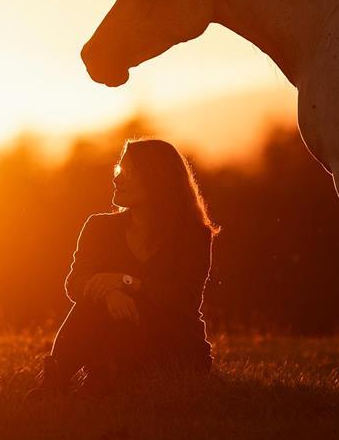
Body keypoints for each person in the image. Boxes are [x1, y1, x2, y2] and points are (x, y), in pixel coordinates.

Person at [27, 138, 218, 399]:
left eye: (129, 173)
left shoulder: (194, 236)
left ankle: (100, 380)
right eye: (119, 169)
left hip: (173, 341)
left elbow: (182, 300)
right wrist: (109, 293)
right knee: (91, 303)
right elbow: (75, 283)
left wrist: (127, 282)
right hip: (115, 329)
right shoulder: (100, 227)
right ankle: (57, 379)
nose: (117, 179)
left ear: (157, 179)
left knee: (124, 317)